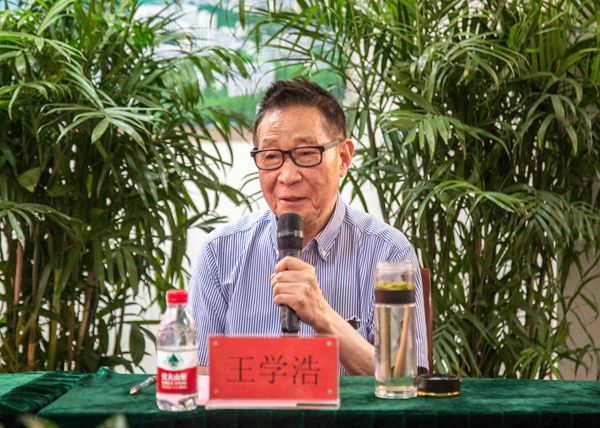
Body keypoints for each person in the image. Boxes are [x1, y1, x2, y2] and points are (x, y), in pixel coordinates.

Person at [187, 78, 428, 375]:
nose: (287, 176)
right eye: (271, 156)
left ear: (343, 158)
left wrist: (323, 316)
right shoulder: (219, 252)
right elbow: (199, 376)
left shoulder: (388, 252)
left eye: (306, 154)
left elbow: (406, 380)